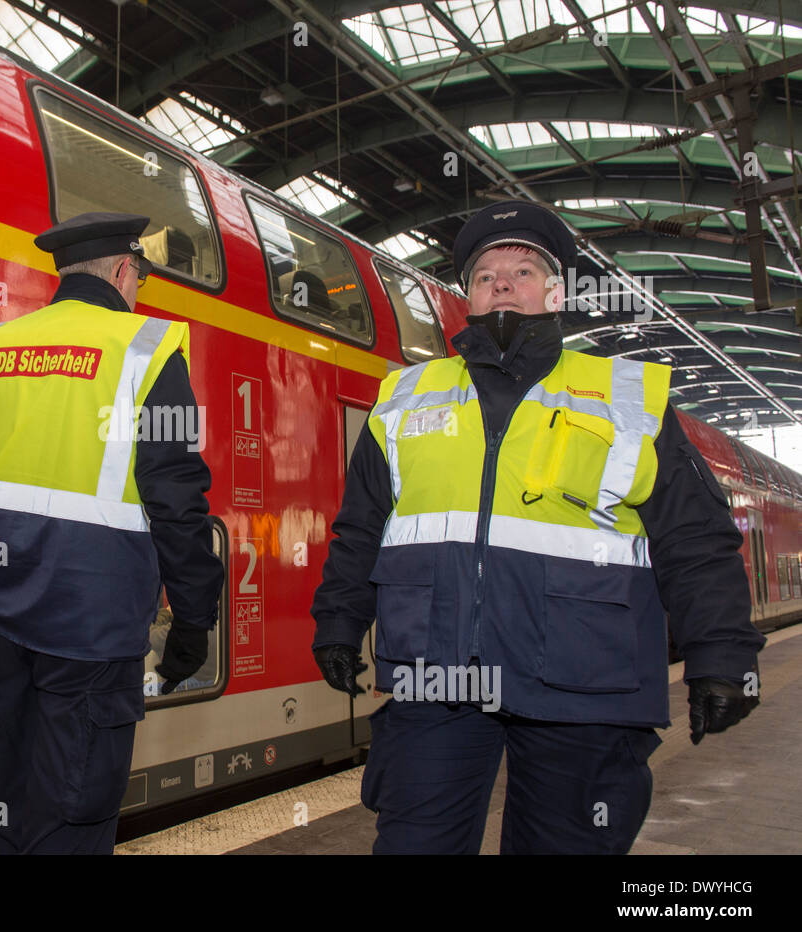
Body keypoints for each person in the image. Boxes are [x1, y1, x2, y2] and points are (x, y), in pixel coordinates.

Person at [311, 199, 764, 854]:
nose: (502, 281)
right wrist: (338, 621)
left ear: (556, 292)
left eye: (523, 269)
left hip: (583, 682)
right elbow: (361, 528)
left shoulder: (626, 398)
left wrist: (721, 654)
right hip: (438, 677)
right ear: (465, 299)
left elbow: (694, 538)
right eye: (485, 273)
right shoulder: (405, 397)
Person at [0, 211, 223, 854]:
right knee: (73, 813)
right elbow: (177, 502)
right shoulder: (147, 349)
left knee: (2, 804)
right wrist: (195, 619)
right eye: (139, 278)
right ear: (122, 270)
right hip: (91, 631)